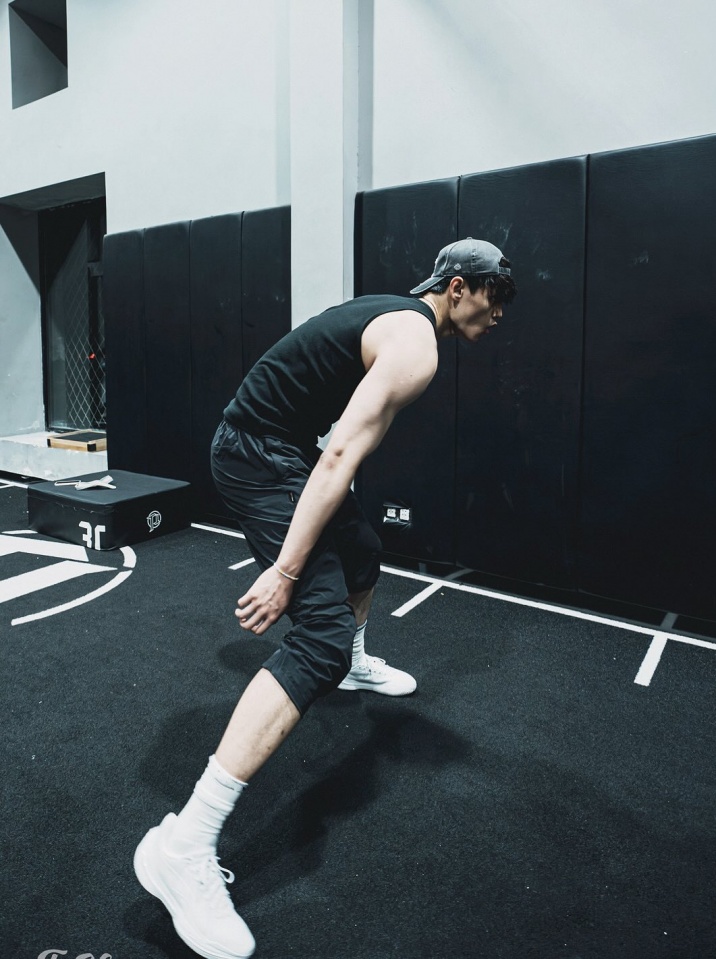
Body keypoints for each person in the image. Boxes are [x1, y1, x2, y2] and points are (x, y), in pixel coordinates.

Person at [133, 237, 517, 959]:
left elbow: (337, 446)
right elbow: (340, 452)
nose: (499, 315)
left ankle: (355, 662)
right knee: (318, 639)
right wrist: (285, 571)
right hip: (257, 455)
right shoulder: (416, 345)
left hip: (276, 446)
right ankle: (184, 844)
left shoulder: (397, 316)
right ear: (459, 287)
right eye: (497, 298)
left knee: (362, 551)